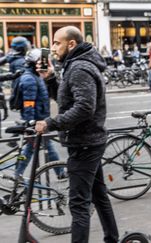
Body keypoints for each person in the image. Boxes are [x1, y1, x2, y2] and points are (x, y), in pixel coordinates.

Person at [35, 26, 119, 243]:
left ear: (71, 44)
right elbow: (68, 100)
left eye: (56, 42)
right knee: (99, 195)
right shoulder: (75, 65)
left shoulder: (80, 68)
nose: (52, 47)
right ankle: (112, 238)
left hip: (85, 143)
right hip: (88, 141)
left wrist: (50, 123)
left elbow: (84, 107)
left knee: (79, 204)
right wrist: (51, 78)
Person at [14, 48, 66, 178]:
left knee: (33, 148)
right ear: (33, 62)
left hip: (41, 118)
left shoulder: (36, 76)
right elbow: (29, 103)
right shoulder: (29, 79)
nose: (43, 62)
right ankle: (17, 175)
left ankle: (17, 175)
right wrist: (30, 122)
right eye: (40, 60)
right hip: (36, 121)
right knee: (35, 148)